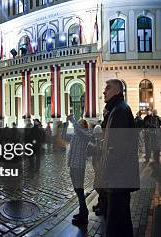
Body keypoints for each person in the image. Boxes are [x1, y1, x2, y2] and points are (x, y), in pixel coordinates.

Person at [100, 79, 139, 237]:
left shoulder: (120, 111)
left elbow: (117, 148)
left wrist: (107, 173)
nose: (104, 91)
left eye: (107, 88)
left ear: (117, 91)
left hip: (118, 177)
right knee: (121, 220)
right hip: (120, 177)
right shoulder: (116, 109)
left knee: (117, 222)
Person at [61, 114, 93, 225]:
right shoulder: (75, 134)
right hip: (72, 165)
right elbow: (64, 136)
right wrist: (65, 124)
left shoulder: (86, 134)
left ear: (83, 126)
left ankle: (84, 215)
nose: (76, 125)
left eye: (79, 123)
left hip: (79, 166)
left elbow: (79, 131)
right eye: (77, 123)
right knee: (77, 189)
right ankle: (82, 211)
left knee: (79, 190)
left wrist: (73, 120)